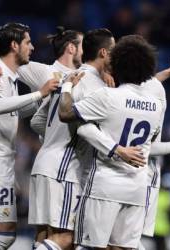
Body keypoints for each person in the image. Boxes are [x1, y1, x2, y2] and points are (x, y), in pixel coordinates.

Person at [58, 34, 168, 250]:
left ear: (116, 64)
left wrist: (67, 87)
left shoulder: (108, 97)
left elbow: (66, 113)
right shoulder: (156, 105)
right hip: (137, 187)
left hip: (105, 185)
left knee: (89, 246)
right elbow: (153, 139)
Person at [29, 28, 117, 250]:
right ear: (104, 53)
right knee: (66, 239)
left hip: (44, 163)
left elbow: (37, 121)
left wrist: (54, 138)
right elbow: (85, 130)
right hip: (65, 169)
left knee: (45, 236)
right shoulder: (96, 87)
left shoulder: (68, 77)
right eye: (114, 49)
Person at [0, 22, 58, 249]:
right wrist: (38, 94)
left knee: (6, 234)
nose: (32, 48)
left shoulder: (10, 78)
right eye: (27, 42)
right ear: (14, 45)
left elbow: (13, 109)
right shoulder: (0, 71)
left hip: (6, 163)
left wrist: (45, 102)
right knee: (5, 234)